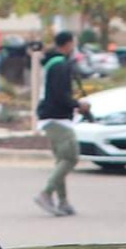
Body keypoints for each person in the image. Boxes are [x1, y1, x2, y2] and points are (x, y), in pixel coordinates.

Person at [35, 31, 90, 216]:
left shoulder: (51, 62)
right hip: (57, 117)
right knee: (70, 157)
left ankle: (63, 201)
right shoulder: (61, 65)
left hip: (48, 116)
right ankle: (46, 193)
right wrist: (77, 105)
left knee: (61, 160)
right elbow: (60, 95)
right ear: (68, 44)